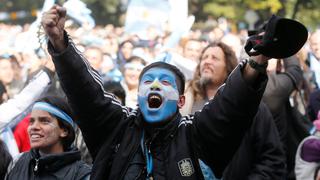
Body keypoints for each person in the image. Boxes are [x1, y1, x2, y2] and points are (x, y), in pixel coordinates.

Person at [42, 5, 270, 179]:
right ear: (139, 95)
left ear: (181, 101)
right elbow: (86, 92)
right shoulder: (116, 129)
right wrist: (60, 42)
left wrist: (257, 62)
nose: (155, 86)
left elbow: (230, 106)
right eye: (148, 81)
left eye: (165, 82)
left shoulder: (194, 136)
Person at [182, 42, 285, 179]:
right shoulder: (186, 104)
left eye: (215, 58)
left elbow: (272, 159)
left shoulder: (253, 107)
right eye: (204, 57)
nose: (207, 61)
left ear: (228, 66)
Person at [5, 95, 91, 180]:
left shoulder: (81, 175)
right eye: (31, 121)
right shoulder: (17, 162)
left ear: (64, 131)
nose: (34, 127)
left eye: (44, 121)